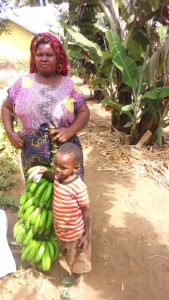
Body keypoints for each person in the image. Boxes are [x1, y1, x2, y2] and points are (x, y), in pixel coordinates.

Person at [1, 32, 90, 181]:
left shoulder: (69, 85)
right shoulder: (22, 82)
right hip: (31, 152)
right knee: (37, 194)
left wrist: (69, 130)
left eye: (49, 54)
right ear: (34, 57)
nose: (44, 58)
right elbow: (6, 107)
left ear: (58, 58)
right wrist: (10, 133)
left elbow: (84, 112)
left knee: (67, 194)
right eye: (39, 54)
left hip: (64, 152)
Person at [36, 142, 91, 299]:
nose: (58, 170)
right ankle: (74, 277)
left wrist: (86, 235)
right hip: (61, 231)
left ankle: (78, 284)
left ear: (76, 167)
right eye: (56, 164)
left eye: (63, 167)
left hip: (75, 234)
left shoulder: (78, 187)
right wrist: (46, 171)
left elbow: (86, 212)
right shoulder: (59, 179)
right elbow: (54, 176)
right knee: (67, 257)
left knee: (76, 261)